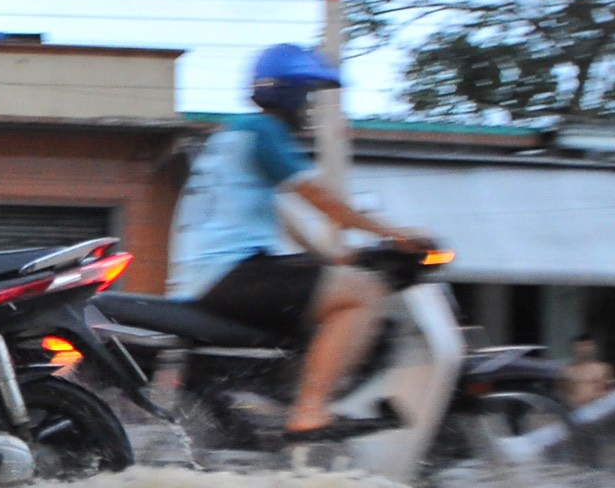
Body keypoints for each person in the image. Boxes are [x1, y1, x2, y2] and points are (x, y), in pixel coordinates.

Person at [173, 44, 433, 443]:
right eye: (307, 96)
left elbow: (280, 213)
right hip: (232, 274)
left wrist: (330, 257)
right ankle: (310, 410)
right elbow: (322, 198)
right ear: (290, 94)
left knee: (331, 283)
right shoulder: (264, 132)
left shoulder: (231, 135)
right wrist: (395, 234)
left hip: (213, 275)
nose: (309, 107)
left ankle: (284, 399)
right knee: (364, 293)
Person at [562, 336, 615, 409]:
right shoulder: (568, 370)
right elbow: (563, 392)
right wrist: (572, 401)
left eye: (587, 345)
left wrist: (598, 396)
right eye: (581, 346)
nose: (584, 349)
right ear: (575, 348)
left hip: (598, 408)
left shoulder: (604, 368)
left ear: (593, 347)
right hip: (576, 409)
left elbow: (612, 390)